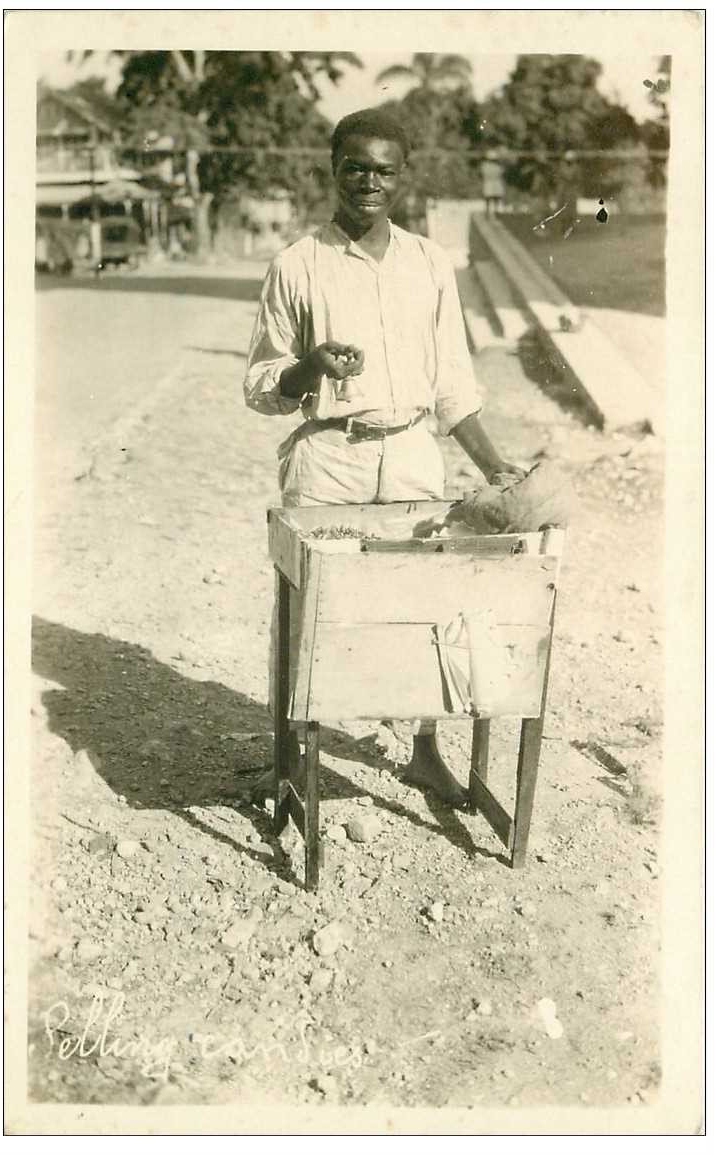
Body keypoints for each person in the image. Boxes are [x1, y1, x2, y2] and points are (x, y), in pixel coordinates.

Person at [243, 108, 524, 806]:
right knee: (313, 615)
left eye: (384, 170)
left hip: (411, 458)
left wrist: (494, 466)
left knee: (427, 607)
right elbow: (259, 385)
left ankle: (424, 750)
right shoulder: (296, 265)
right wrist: (307, 367)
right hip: (328, 460)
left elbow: (454, 385)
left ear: (403, 177)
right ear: (331, 169)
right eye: (354, 167)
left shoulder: (429, 263)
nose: (369, 181)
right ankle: (295, 761)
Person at [480, 148, 506, 216]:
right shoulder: (494, 166)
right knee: (491, 197)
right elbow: (501, 173)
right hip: (493, 182)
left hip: (492, 182)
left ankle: (491, 211)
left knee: (491, 197)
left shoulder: (485, 166)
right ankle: (491, 211)